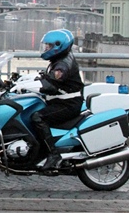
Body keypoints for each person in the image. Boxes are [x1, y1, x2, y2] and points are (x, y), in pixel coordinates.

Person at [31, 29, 84, 170]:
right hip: (63, 101)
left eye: (49, 46)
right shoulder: (60, 59)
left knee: (38, 117)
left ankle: (53, 154)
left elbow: (55, 77)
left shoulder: (63, 64)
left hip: (68, 104)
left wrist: (37, 85)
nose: (46, 48)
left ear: (58, 46)